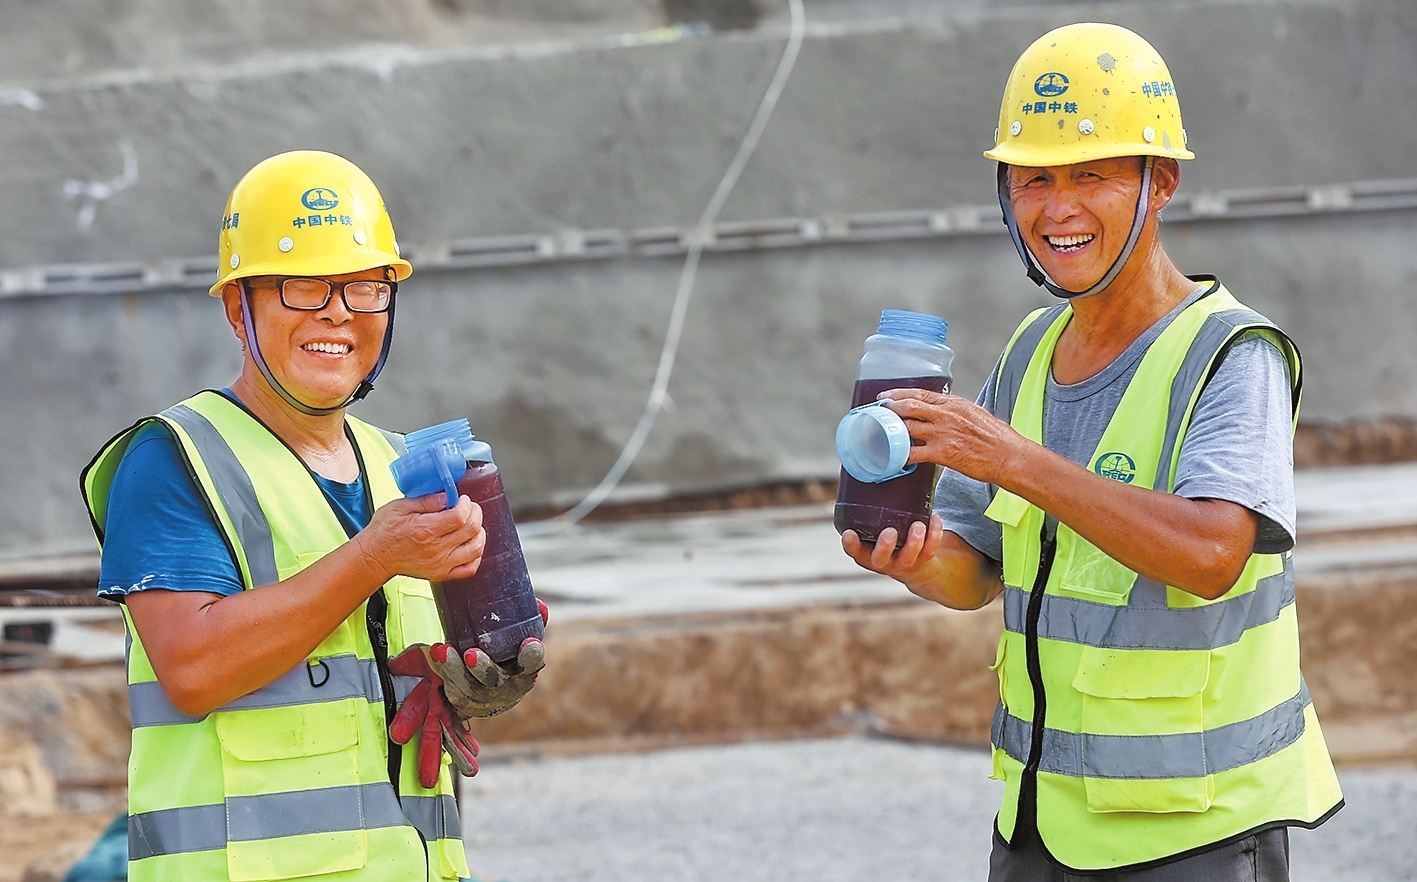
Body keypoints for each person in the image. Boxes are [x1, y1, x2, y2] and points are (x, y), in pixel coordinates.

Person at [841, 22, 1343, 880]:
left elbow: (1211, 555)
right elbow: (978, 572)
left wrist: (1014, 461)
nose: (1057, 209)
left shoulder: (1231, 354)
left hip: (1193, 832)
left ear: (1160, 182)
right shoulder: (1028, 352)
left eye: (1091, 175)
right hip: (1039, 823)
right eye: (1033, 179)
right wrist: (912, 558)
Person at [80, 150, 546, 882]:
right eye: (302, 286)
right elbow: (193, 669)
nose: (337, 311)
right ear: (238, 309)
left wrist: (475, 682)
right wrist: (375, 557)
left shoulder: (399, 465)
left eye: (364, 287)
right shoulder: (176, 458)